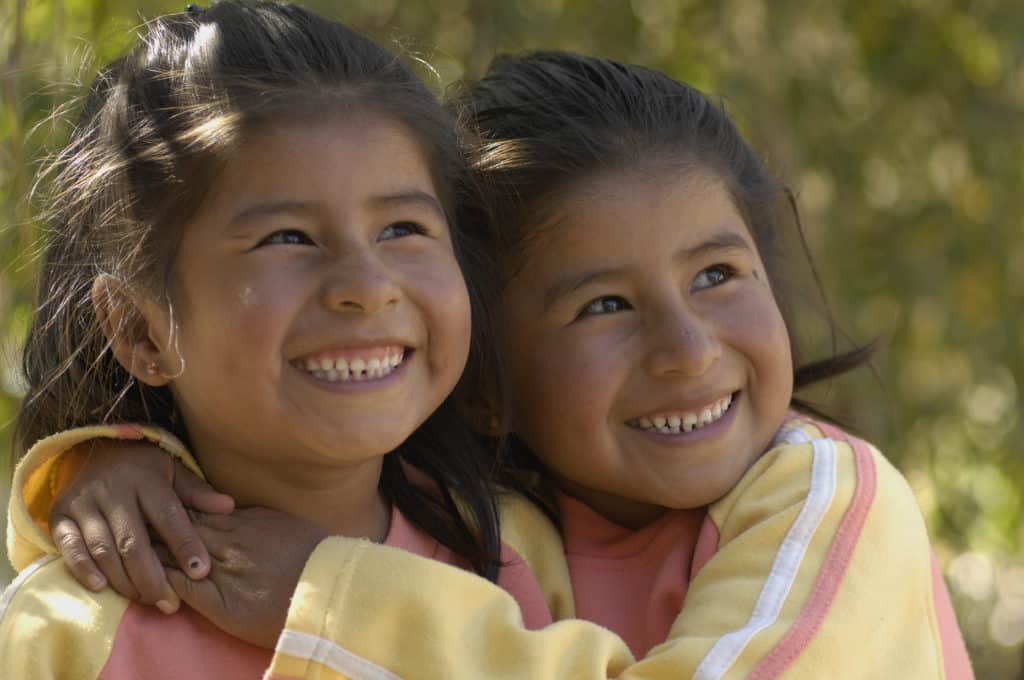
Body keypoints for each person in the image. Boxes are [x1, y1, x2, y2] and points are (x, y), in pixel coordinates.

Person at [5, 50, 974, 678]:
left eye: (719, 272)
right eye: (603, 304)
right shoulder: (491, 528)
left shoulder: (825, 496)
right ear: (485, 375)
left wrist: (338, 594)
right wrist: (103, 461)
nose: (686, 347)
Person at [0, 4, 566, 679]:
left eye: (403, 229)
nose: (367, 285)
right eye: (287, 238)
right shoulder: (66, 630)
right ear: (138, 330)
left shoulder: (509, 548)